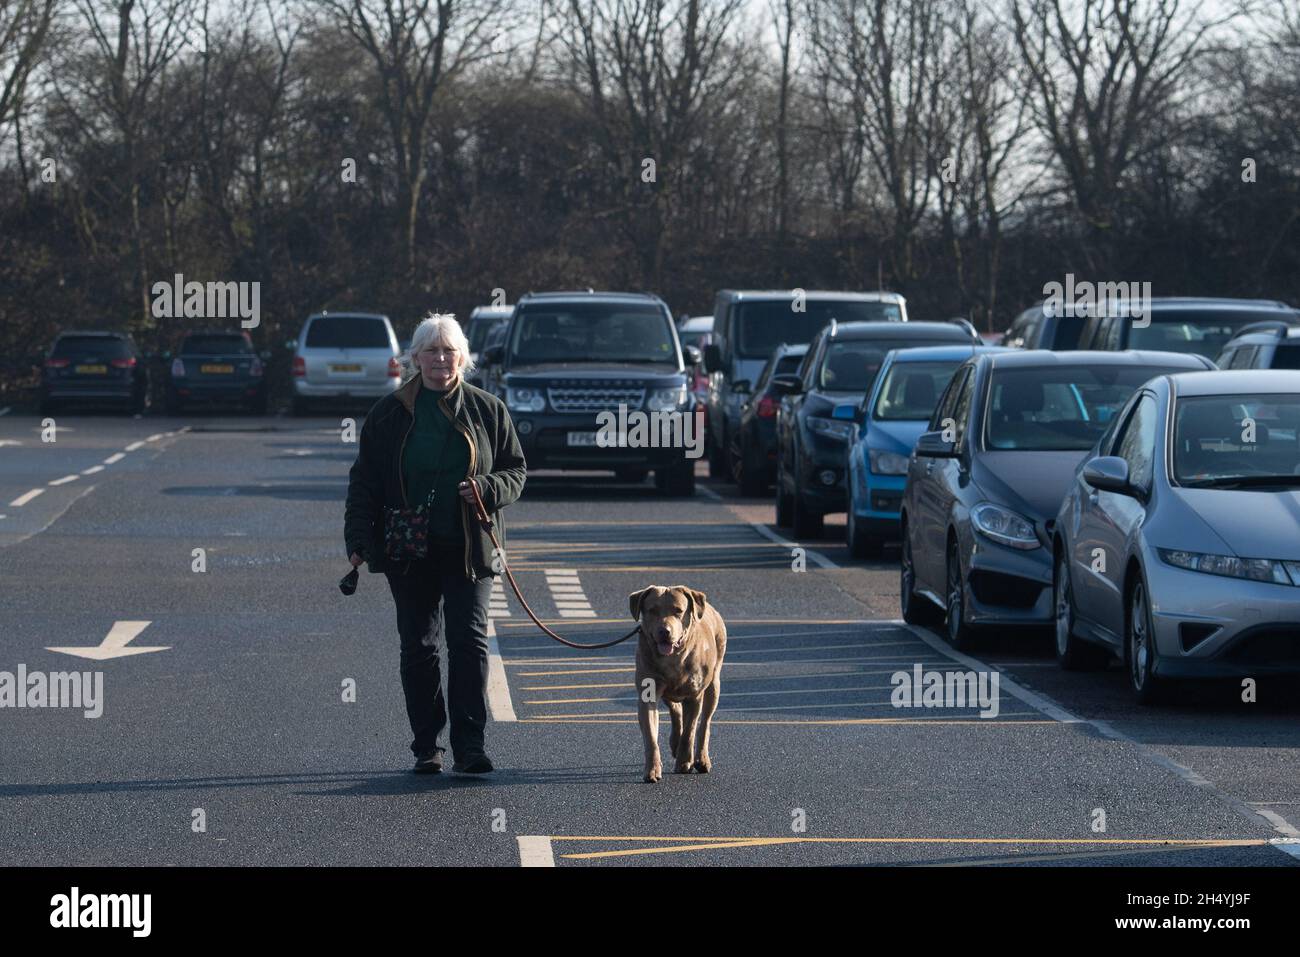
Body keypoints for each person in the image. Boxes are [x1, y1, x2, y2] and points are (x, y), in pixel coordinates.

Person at [344, 312, 526, 774]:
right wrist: (359, 538)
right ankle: (427, 744)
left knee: (468, 645)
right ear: (415, 358)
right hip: (409, 549)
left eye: (449, 351)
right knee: (419, 647)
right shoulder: (389, 413)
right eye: (431, 351)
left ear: (463, 358)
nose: (440, 359)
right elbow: (364, 481)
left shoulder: (488, 409)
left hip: (470, 550)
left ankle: (470, 746)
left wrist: (486, 488)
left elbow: (516, 472)